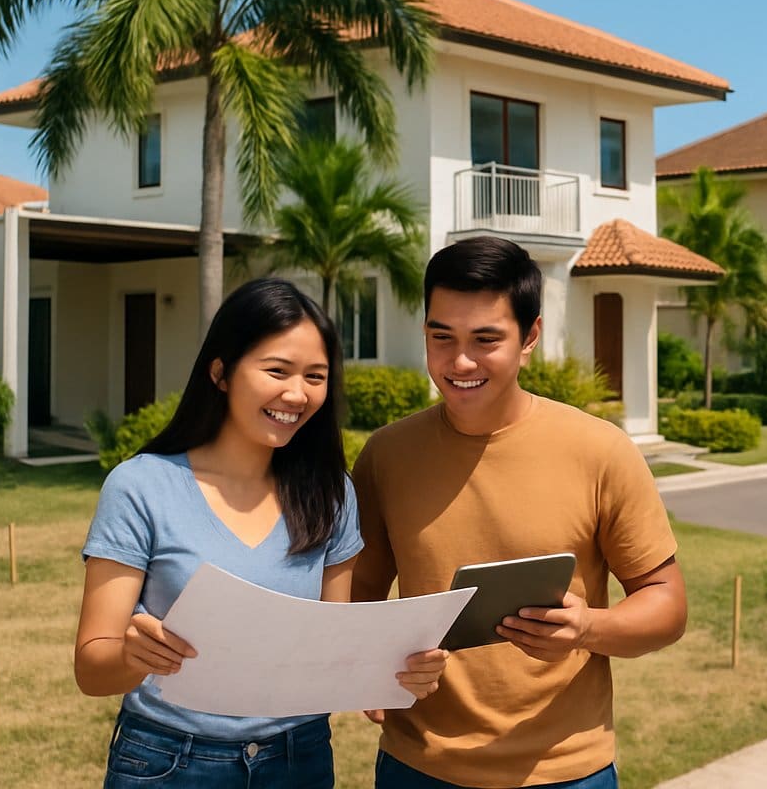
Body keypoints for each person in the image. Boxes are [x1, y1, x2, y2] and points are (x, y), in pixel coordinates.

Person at [76, 277, 447, 788]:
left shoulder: (332, 492)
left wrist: (392, 671)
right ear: (221, 371)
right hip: (169, 762)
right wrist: (132, 656)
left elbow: (332, 648)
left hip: (299, 759)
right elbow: (92, 670)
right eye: (277, 370)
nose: (297, 394)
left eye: (315, 376)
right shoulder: (140, 486)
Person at [351, 235, 687, 789]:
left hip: (566, 771)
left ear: (529, 336)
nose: (460, 361)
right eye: (442, 337)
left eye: (486, 339)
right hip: (418, 766)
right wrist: (368, 670)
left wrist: (588, 628)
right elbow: (358, 596)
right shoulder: (387, 455)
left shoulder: (600, 451)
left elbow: (667, 607)